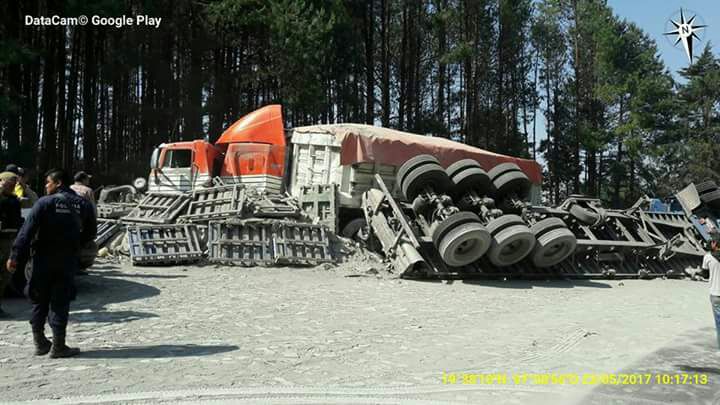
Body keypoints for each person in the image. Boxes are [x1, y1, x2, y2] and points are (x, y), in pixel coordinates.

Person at [6, 169, 96, 357]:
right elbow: (90, 234)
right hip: (67, 260)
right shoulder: (83, 204)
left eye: (48, 182)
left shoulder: (44, 203)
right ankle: (58, 345)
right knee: (60, 301)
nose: (45, 185)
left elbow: (26, 231)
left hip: (42, 259)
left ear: (58, 183)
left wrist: (14, 256)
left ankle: (39, 342)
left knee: (39, 299)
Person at [0, 171, 23, 318]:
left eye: (14, 185)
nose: (12, 187)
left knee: (5, 273)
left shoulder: (13, 200)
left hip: (8, 239)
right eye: (10, 184)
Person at [703, 233, 720, 349]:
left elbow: (705, 275)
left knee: (719, 323)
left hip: (715, 294)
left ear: (714, 243)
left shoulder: (707, 257)